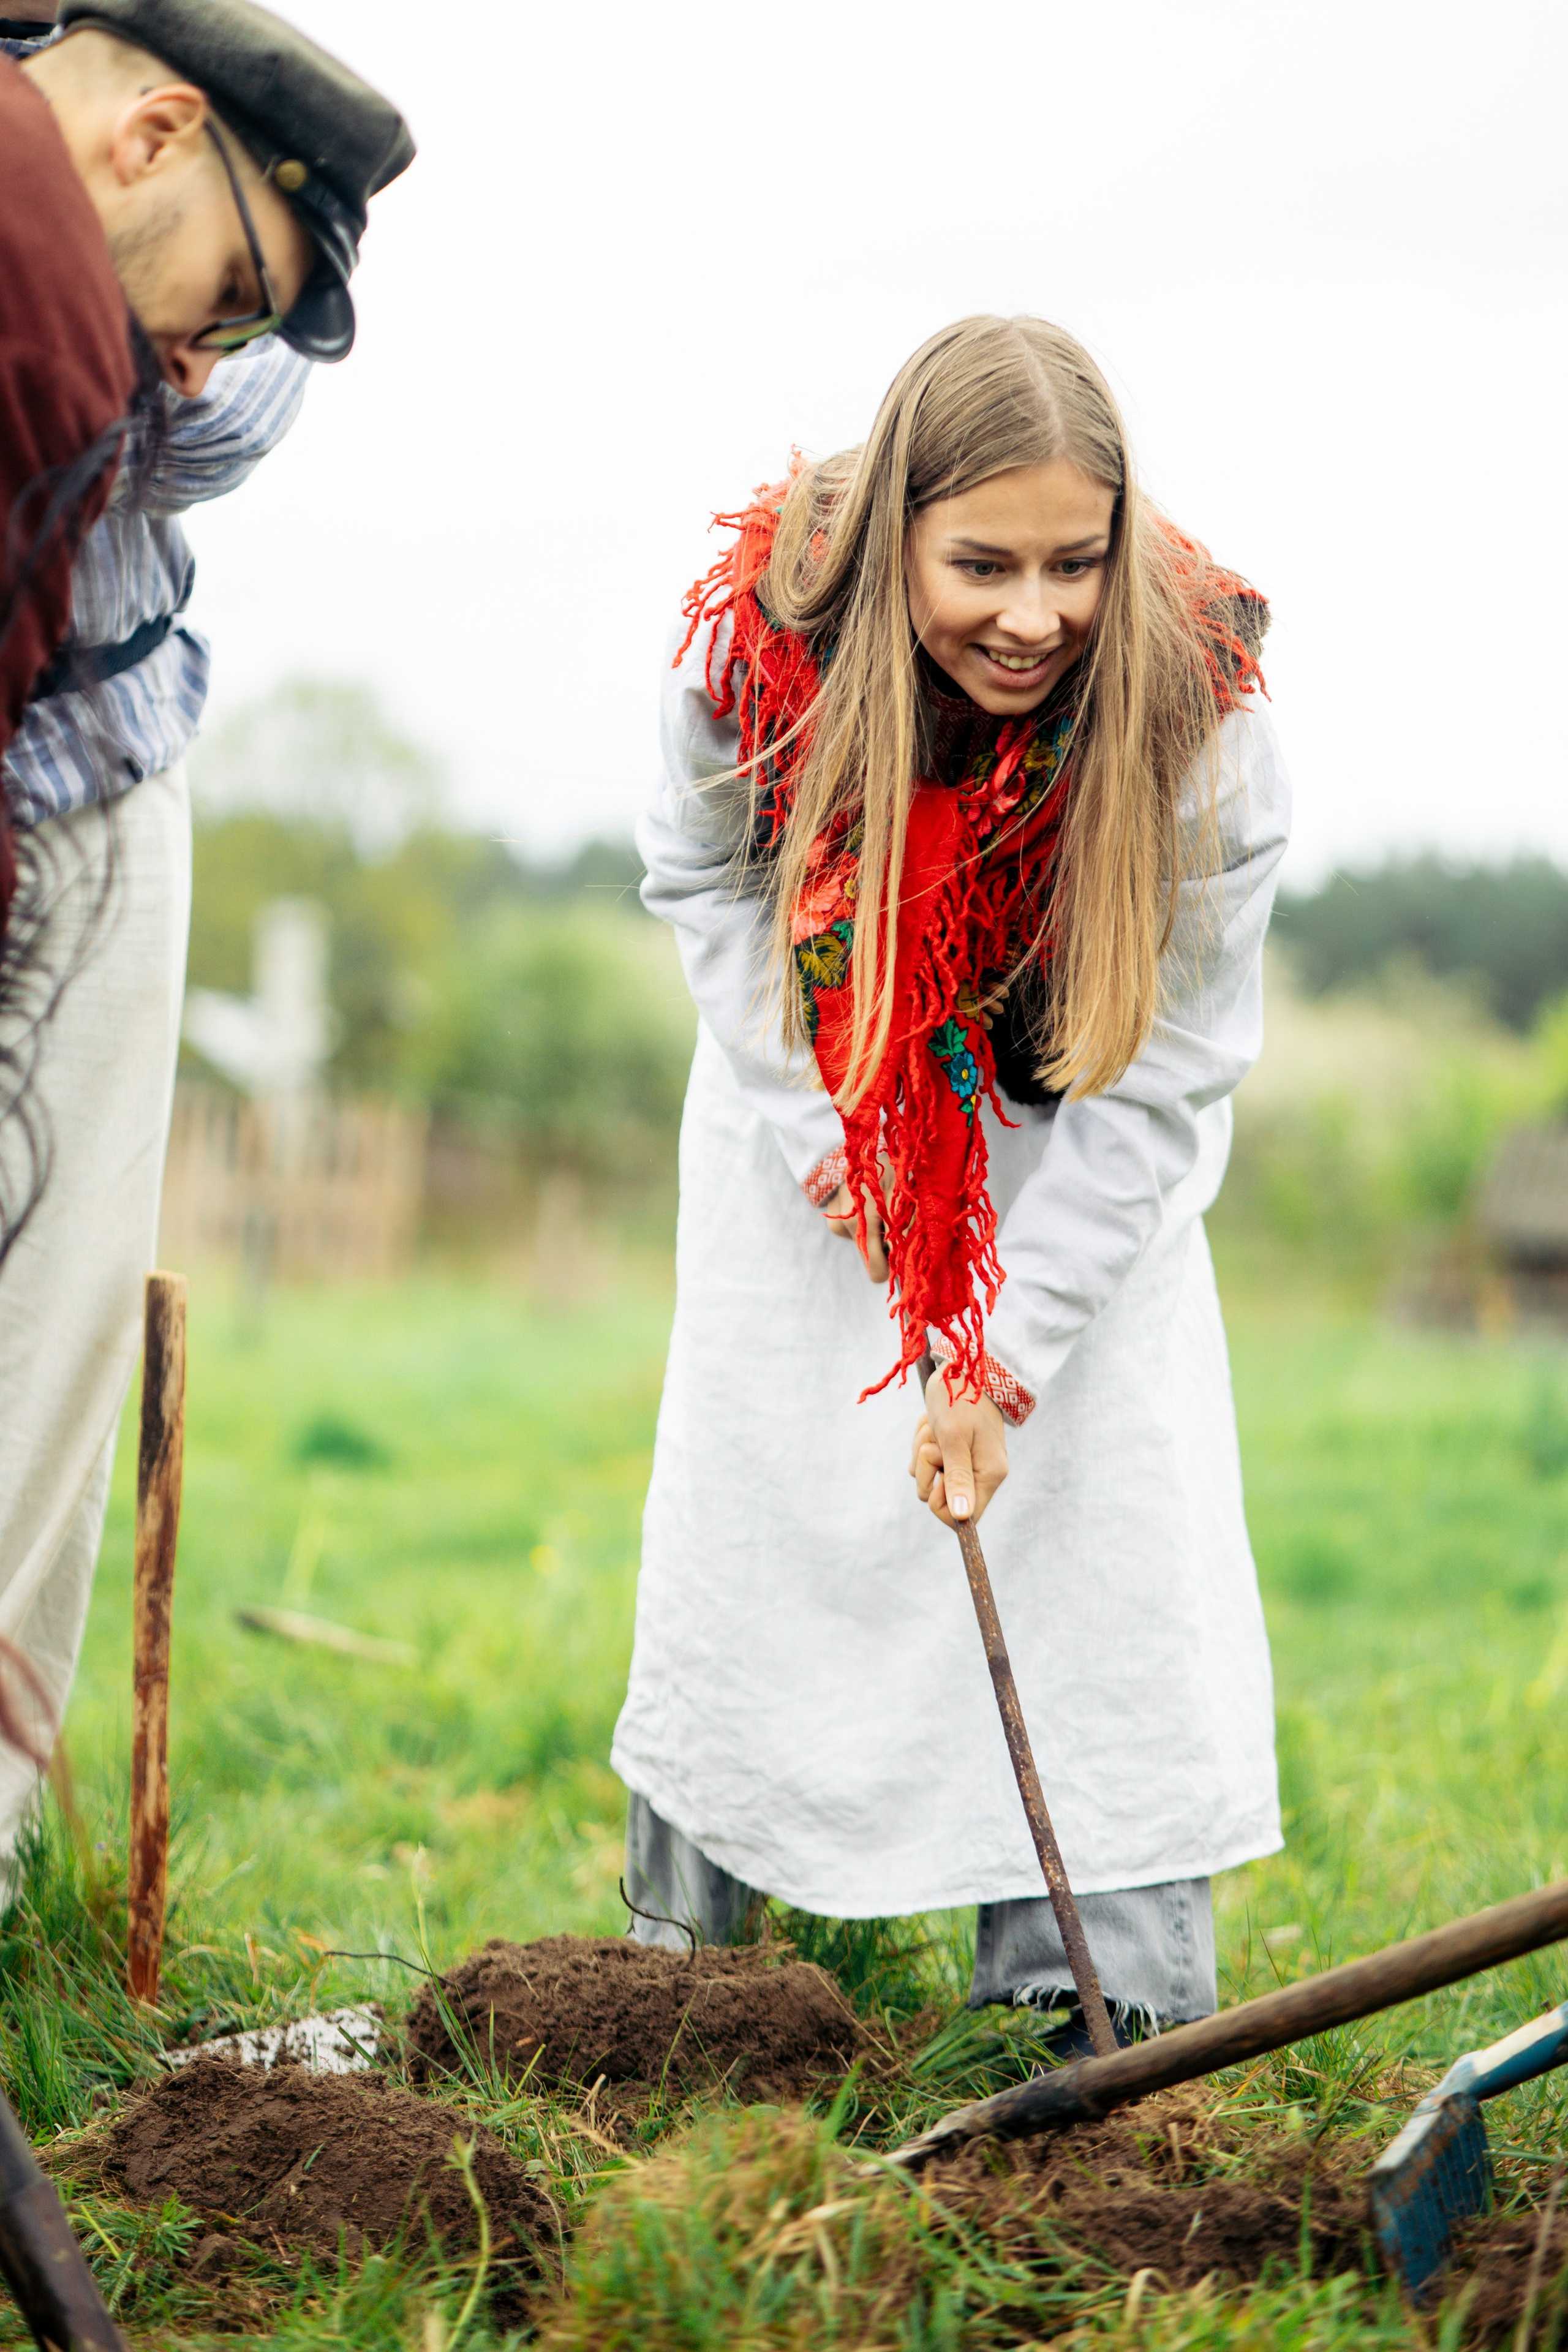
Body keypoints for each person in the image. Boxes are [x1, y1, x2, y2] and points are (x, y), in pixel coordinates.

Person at [613, 315, 1291, 2044]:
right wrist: (833, 1133)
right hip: (814, 1096)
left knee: (1093, 1533)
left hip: (1079, 1139)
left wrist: (1008, 1350)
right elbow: (703, 884)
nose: (1034, 615)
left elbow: (1174, 1069)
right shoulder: (751, 656)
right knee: (771, 1502)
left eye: (1076, 563)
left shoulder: (1206, 717)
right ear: (895, 534)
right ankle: (696, 1989)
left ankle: (1096, 1991)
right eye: (982, 565)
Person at [0, 0, 413, 1863]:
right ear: (157, 137)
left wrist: (176, 335)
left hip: (83, 773)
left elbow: (201, 431)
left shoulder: (104, 262)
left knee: (42, 1344)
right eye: (233, 293)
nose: (217, 341)